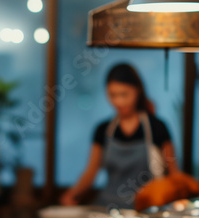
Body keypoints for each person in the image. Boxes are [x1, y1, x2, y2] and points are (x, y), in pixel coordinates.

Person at [61, 63, 180, 208]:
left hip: (145, 208)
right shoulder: (103, 130)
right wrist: (70, 195)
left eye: (124, 94)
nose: (119, 101)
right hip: (108, 207)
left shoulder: (157, 127)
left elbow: (173, 173)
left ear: (137, 91)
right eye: (113, 95)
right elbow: (91, 171)